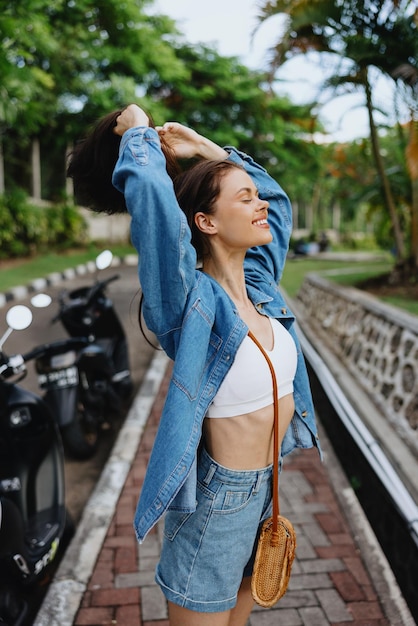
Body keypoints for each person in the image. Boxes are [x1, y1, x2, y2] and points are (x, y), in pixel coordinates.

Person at [67, 104, 321, 626]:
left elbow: (278, 200)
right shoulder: (189, 305)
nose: (261, 206)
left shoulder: (260, 284)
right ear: (205, 221)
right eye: (243, 198)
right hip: (219, 504)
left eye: (254, 196)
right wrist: (137, 134)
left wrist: (207, 149)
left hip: (268, 488)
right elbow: (161, 218)